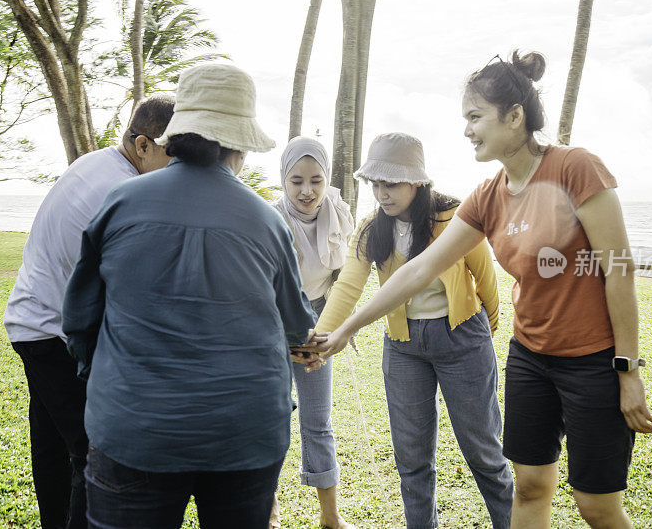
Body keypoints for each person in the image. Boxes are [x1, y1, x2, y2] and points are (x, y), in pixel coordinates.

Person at [308, 52, 652, 528]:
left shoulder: (576, 168)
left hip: (593, 360)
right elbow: (418, 271)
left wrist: (628, 369)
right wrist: (347, 328)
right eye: (465, 119)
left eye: (475, 117)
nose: (468, 130)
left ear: (515, 116)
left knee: (594, 504)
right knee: (531, 487)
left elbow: (619, 269)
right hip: (530, 357)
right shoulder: (487, 196)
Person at [61, 64, 319, 528]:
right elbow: (297, 324)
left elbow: (79, 319)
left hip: (133, 431)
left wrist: (107, 381)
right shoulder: (267, 222)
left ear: (176, 136)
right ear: (238, 147)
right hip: (244, 435)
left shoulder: (120, 202)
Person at [301, 132, 514, 528]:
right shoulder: (370, 229)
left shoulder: (453, 216)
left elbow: (485, 277)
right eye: (375, 185)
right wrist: (323, 336)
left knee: (484, 452)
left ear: (416, 181)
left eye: (391, 184)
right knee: (412, 459)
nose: (382, 194)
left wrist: (487, 326)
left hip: (463, 340)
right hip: (403, 347)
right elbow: (348, 284)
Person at [3, 96, 174, 529]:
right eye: (173, 153)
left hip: (30, 322)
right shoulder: (119, 191)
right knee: (89, 454)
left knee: (52, 448)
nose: (179, 169)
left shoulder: (96, 163)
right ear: (142, 145)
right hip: (51, 331)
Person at [270, 136, 355, 529]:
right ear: (283, 180)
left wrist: (332, 330)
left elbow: (344, 279)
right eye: (297, 181)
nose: (307, 191)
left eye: (316, 180)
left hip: (319, 320)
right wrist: (284, 338)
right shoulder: (269, 220)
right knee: (268, 418)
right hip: (273, 322)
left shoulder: (339, 214)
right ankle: (267, 511)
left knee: (317, 420)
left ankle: (330, 517)